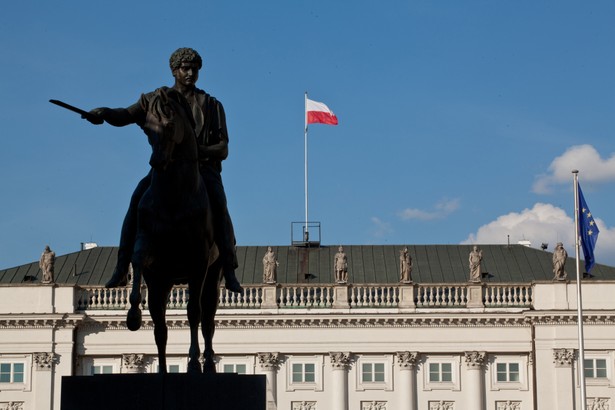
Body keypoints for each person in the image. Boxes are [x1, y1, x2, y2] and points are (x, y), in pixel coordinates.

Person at [85, 48, 242, 293]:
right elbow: (125, 115)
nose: (190, 73)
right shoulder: (154, 100)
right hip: (165, 169)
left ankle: (229, 269)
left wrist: (196, 151)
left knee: (220, 204)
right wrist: (104, 113)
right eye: (185, 68)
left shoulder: (212, 105)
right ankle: (121, 266)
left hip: (202, 171)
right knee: (136, 200)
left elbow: (222, 148)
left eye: (195, 69)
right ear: (174, 71)